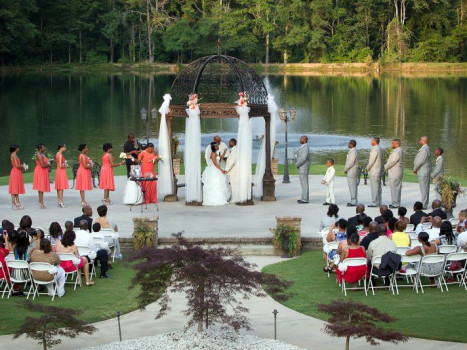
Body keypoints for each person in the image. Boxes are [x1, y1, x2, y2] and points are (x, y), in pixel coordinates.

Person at [384, 138, 404, 209]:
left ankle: (395, 203)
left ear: (397, 144)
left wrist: (385, 166)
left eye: (393, 143)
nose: (391, 145)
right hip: (396, 172)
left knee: (394, 187)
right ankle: (396, 202)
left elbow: (392, 162)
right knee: (396, 187)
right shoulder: (398, 150)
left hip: (395, 172)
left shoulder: (397, 151)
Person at [413, 136, 431, 209]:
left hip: (423, 171)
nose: (419, 141)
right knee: (423, 188)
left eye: (420, 139)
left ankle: (424, 204)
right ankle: (424, 203)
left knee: (424, 188)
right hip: (423, 171)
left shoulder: (424, 149)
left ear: (423, 141)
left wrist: (415, 168)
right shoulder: (425, 148)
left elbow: (421, 161)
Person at [32, 143, 51, 209]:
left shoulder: (42, 154)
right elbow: (42, 165)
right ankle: (40, 203)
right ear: (40, 148)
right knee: (40, 187)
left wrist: (48, 166)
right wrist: (48, 165)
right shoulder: (39, 154)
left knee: (41, 187)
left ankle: (41, 202)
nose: (45, 148)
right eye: (43, 147)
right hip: (40, 171)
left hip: (43, 171)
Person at [366, 137, 383, 208]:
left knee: (374, 187)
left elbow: (372, 161)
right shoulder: (379, 148)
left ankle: (375, 202)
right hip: (377, 170)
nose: (371, 141)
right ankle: (378, 202)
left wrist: (367, 168)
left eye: (372, 140)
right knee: (378, 187)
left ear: (374, 141)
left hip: (374, 171)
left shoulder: (375, 149)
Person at [8, 144, 25, 210]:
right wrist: (23, 167)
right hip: (15, 171)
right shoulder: (14, 155)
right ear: (16, 148)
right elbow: (17, 166)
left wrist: (21, 167)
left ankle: (16, 203)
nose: (18, 148)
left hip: (17, 171)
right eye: (18, 147)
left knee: (15, 187)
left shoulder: (14, 154)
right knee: (14, 187)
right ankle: (15, 203)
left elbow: (17, 165)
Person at [295, 135, 311, 204]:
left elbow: (303, 158)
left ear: (304, 140)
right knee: (303, 184)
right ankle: (303, 197)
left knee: (304, 184)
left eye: (301, 139)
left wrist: (297, 164)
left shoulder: (305, 148)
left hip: (303, 168)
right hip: (302, 168)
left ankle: (305, 199)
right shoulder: (303, 147)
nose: (300, 140)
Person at [343, 139, 359, 207]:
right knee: (352, 186)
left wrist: (345, 169)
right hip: (351, 171)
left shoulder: (353, 152)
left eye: (349, 143)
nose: (348, 144)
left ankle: (353, 201)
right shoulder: (353, 151)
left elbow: (351, 162)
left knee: (352, 186)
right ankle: (353, 200)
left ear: (351, 144)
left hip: (352, 171)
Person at [54, 143, 69, 208]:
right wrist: (66, 165)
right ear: (61, 147)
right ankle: (61, 201)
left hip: (58, 171)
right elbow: (60, 165)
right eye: (64, 147)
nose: (65, 148)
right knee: (61, 186)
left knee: (59, 186)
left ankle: (59, 200)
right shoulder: (60, 155)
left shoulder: (57, 154)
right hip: (61, 171)